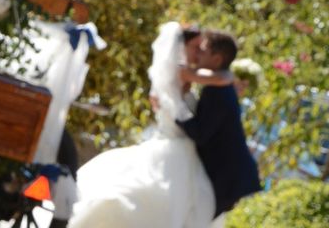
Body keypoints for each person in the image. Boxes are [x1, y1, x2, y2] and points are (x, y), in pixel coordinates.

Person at [68, 23, 230, 228]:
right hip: (174, 149)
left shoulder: (185, 74)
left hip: (184, 151)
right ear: (182, 47)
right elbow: (222, 80)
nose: (198, 53)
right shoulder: (179, 73)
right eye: (195, 47)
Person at [176, 31, 262, 228]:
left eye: (203, 51)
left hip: (233, 183)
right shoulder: (217, 85)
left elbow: (200, 133)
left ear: (216, 59)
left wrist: (175, 111)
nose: (197, 55)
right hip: (227, 180)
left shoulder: (219, 91)